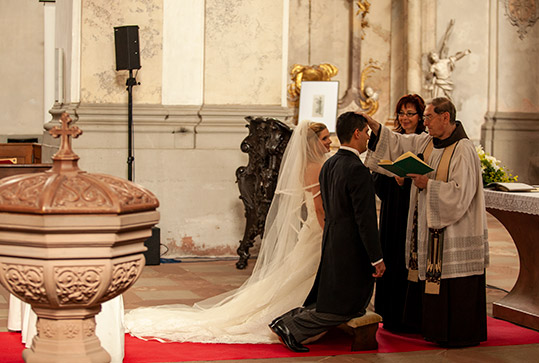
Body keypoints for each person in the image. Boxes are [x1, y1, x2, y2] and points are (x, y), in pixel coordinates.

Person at [123, 120, 331, 343]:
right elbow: (319, 208)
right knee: (303, 274)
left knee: (300, 274)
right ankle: (304, 316)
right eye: (325, 138)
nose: (330, 142)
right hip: (318, 229)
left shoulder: (308, 165)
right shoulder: (317, 168)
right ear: (312, 143)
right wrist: (328, 234)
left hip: (311, 229)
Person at [363, 97, 489, 347]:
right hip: (434, 227)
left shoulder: (463, 149)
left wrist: (427, 185)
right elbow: (401, 142)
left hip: (455, 230)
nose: (424, 122)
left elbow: (461, 192)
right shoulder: (430, 141)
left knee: (452, 285)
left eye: (428, 117)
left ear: (445, 117)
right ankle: (436, 330)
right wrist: (376, 128)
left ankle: (459, 334)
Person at [269, 112, 385, 353]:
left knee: (335, 299)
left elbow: (331, 210)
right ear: (356, 133)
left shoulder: (330, 164)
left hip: (332, 240)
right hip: (352, 247)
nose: (367, 137)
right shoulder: (357, 170)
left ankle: (286, 321)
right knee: (349, 308)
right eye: (366, 132)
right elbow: (365, 220)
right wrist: (377, 257)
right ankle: (292, 326)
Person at [372, 94, 425, 333]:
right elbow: (376, 173)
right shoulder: (390, 140)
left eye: (410, 113)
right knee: (391, 256)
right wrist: (392, 177)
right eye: (401, 113)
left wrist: (409, 180)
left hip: (414, 209)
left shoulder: (425, 142)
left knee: (410, 258)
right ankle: (389, 314)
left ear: (421, 116)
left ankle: (410, 317)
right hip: (392, 209)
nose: (404, 118)